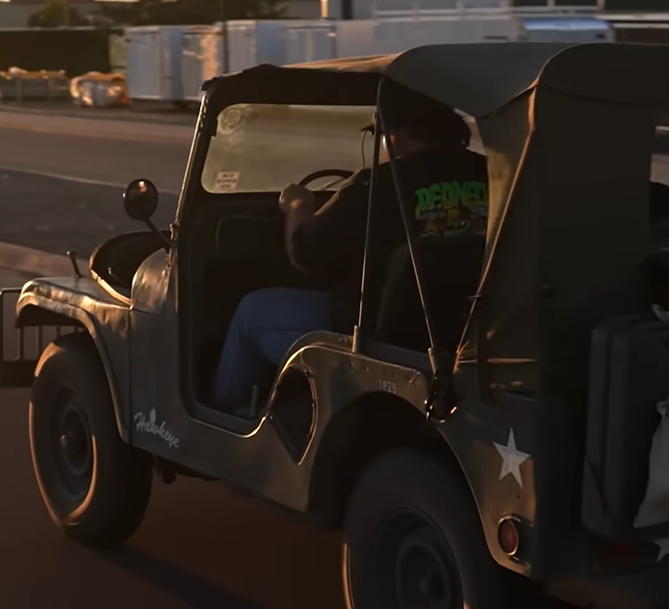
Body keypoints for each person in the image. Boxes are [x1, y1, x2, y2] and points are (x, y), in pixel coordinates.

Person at [209, 85, 489, 414]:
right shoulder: (492, 175)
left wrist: (298, 206)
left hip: (378, 336)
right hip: (470, 333)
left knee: (251, 311)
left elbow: (305, 254)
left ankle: (226, 415)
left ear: (396, 131)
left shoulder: (379, 184)